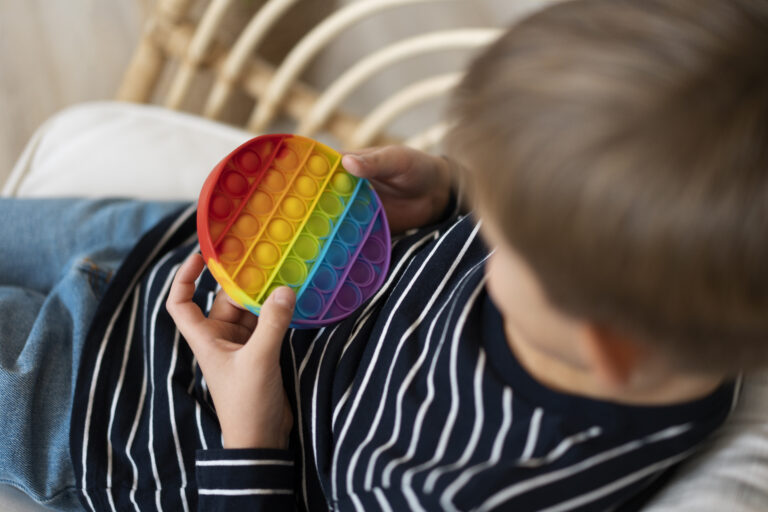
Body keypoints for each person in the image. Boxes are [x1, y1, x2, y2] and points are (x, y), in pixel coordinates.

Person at [1, 0, 766, 510]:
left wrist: (252, 440)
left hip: (109, 413)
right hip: (171, 246)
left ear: (602, 344)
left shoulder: (479, 491)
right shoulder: (684, 293)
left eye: (500, 238)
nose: (484, 233)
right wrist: (452, 193)